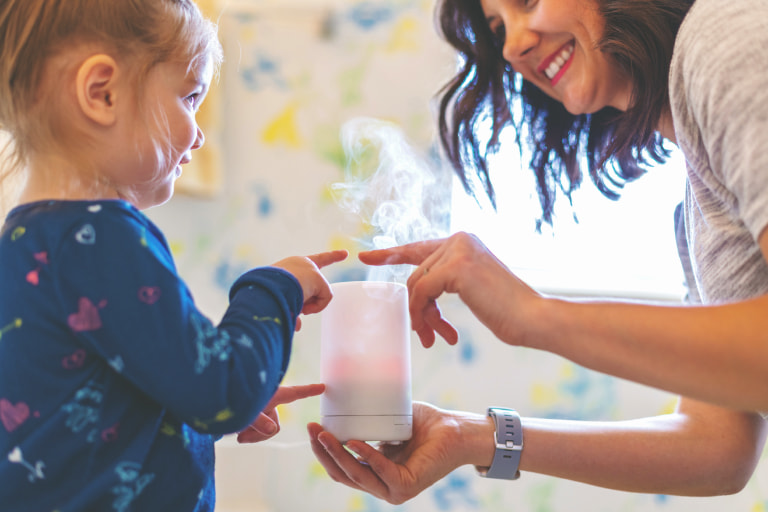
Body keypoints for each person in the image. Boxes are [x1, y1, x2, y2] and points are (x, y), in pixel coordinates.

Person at [307, 0, 768, 504]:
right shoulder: (694, 210)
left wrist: (533, 316)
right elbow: (718, 447)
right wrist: (470, 438)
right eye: (497, 26)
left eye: (527, 1)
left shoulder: (723, 41)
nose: (513, 44)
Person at [0, 1, 347, 510]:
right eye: (189, 98)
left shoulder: (24, 242)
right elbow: (220, 390)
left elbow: (86, 412)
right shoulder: (103, 237)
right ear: (103, 93)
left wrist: (180, 406)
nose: (199, 132)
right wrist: (275, 288)